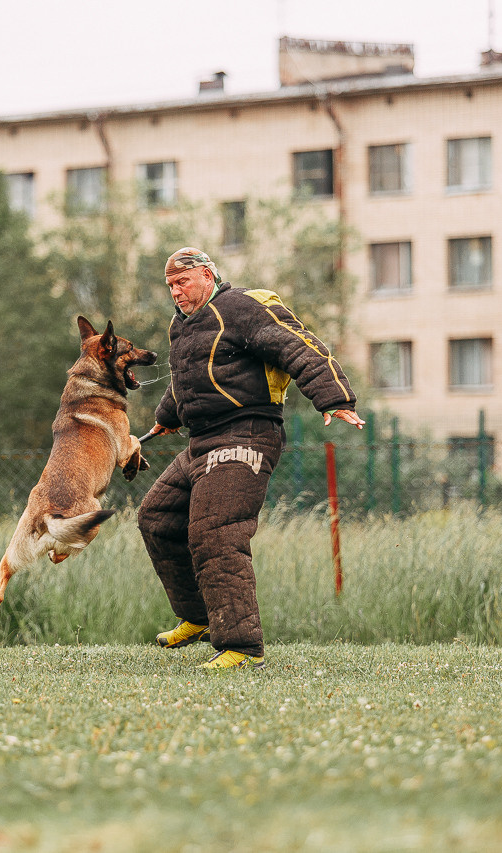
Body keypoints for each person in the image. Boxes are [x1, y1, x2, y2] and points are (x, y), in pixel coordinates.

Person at [138, 247, 364, 670]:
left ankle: (242, 647)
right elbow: (187, 377)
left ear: (206, 275)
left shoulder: (242, 307)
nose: (175, 293)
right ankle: (199, 618)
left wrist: (333, 398)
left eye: (181, 282)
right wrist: (167, 418)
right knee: (157, 517)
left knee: (216, 531)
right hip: (202, 440)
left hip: (247, 433)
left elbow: (298, 346)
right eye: (169, 286)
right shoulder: (182, 325)